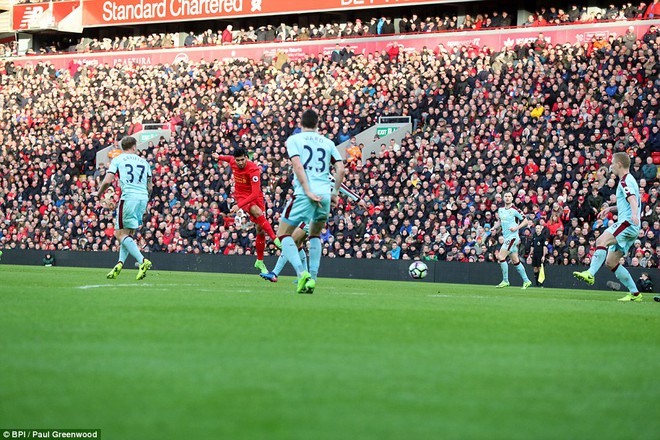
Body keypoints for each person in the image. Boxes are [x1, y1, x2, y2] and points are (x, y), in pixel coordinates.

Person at [275, 108, 345, 293]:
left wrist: (306, 189)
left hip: (305, 194)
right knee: (314, 235)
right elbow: (341, 169)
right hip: (325, 195)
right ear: (318, 123)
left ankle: (301, 273)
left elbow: (297, 166)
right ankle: (312, 279)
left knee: (282, 235)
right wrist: (335, 192)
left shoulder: (294, 140)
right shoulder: (328, 142)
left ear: (300, 123)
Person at [261, 180, 365, 283]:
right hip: (306, 212)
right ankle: (305, 276)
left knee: (291, 242)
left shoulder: (321, 173)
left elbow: (340, 184)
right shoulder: (308, 171)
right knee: (297, 244)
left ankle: (275, 273)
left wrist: (357, 199)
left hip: (312, 214)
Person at [574, 152, 643, 301]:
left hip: (627, 223)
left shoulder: (624, 181)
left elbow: (632, 200)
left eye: (612, 163)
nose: (610, 166)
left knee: (601, 241)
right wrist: (611, 209)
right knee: (611, 262)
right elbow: (627, 202)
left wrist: (635, 215)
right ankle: (635, 293)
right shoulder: (630, 180)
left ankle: (590, 273)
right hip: (632, 227)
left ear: (618, 165)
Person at [216, 147, 280, 274]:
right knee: (257, 212)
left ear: (246, 157)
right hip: (242, 197)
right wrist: (218, 156)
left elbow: (255, 194)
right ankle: (275, 238)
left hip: (255, 197)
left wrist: (238, 206)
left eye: (242, 160)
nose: (240, 162)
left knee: (260, 229)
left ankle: (260, 261)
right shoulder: (233, 161)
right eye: (238, 160)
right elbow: (228, 158)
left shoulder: (253, 169)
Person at [96, 136, 153, 280]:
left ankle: (142, 261)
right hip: (143, 198)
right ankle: (120, 263)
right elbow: (150, 186)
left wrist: (99, 194)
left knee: (118, 234)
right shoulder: (144, 162)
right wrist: (145, 201)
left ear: (122, 147)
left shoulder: (118, 159)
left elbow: (108, 181)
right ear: (134, 147)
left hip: (129, 197)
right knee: (127, 234)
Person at [492, 191, 532, 289]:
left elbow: (526, 221)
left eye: (509, 196)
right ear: (503, 198)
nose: (507, 198)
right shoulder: (500, 210)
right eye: (506, 196)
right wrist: (494, 227)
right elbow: (500, 221)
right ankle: (526, 281)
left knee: (501, 256)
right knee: (515, 260)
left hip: (513, 238)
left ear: (512, 198)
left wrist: (516, 228)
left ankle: (505, 280)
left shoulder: (515, 210)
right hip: (507, 237)